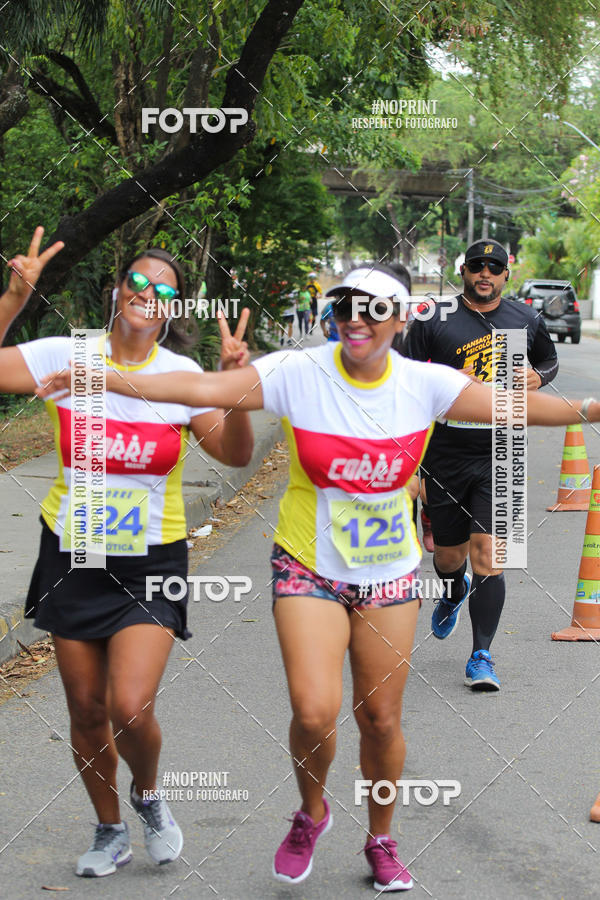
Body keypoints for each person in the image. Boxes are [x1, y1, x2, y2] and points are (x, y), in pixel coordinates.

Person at [40, 262, 600, 891]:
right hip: (308, 566)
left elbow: (520, 407)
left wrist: (591, 406)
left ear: (397, 321)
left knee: (381, 720)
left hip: (389, 574)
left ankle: (382, 838)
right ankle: (311, 812)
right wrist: (106, 374)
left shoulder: (426, 383)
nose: (356, 320)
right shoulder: (299, 372)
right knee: (313, 712)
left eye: (372, 310)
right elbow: (203, 393)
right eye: (345, 307)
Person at [0, 227, 254, 878]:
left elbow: (234, 454)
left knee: (130, 705)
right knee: (85, 710)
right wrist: (14, 302)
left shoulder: (181, 374)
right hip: (74, 548)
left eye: (164, 289)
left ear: (174, 308)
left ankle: (148, 796)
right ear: (117, 291)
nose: (149, 294)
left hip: (152, 557)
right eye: (138, 282)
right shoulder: (69, 352)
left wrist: (234, 387)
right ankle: (109, 828)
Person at [399, 238, 559, 691]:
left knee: (489, 554)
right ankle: (452, 591)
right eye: (476, 267)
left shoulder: (524, 319)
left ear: (506, 274)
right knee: (449, 557)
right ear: (463, 272)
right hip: (445, 450)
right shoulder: (435, 319)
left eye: (494, 267)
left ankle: (481, 656)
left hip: (503, 448)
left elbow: (549, 361)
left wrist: (537, 376)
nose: (484, 274)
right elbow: (402, 379)